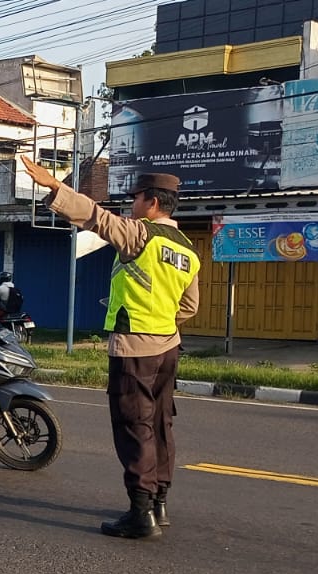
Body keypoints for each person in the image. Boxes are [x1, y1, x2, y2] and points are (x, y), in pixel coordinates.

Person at [20, 156, 200, 540]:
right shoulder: (187, 249)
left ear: (151, 202)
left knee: (135, 427)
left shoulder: (140, 234)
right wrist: (161, 322)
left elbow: (96, 217)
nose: (131, 205)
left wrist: (55, 187)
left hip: (135, 347)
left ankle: (140, 512)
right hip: (168, 347)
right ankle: (159, 503)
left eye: (135, 198)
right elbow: (190, 307)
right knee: (160, 424)